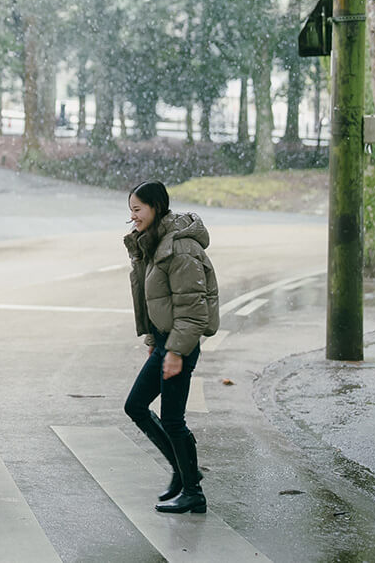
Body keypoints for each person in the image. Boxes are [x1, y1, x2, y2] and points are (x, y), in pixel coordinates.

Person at [123, 181, 219, 514]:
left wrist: (176, 352)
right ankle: (183, 474)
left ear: (156, 207)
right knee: (135, 406)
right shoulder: (153, 243)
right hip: (165, 342)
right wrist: (154, 341)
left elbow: (193, 309)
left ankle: (193, 491)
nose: (133, 217)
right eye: (130, 211)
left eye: (138, 210)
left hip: (181, 344)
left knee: (173, 420)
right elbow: (157, 301)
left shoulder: (180, 249)